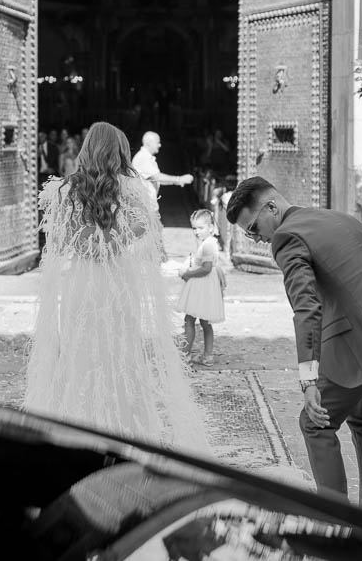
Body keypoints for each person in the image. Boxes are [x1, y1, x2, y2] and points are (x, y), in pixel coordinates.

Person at [226, 177, 362, 509]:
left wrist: (309, 379)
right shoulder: (336, 217)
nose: (258, 239)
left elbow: (306, 308)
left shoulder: (286, 237)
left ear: (271, 206)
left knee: (314, 422)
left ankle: (335, 527)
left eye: (254, 228)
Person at [24, 122, 209, 453]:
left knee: (81, 352)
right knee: (120, 353)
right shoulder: (131, 189)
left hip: (81, 282)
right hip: (118, 279)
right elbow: (145, 227)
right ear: (119, 151)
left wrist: (91, 243)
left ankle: (83, 433)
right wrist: (112, 241)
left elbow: (60, 240)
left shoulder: (64, 190)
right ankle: (122, 433)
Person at [176, 209, 226, 367]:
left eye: (200, 228)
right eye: (194, 228)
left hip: (201, 287)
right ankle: (207, 356)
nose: (197, 232)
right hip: (205, 287)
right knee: (205, 322)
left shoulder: (208, 245)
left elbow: (206, 268)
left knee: (189, 320)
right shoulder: (209, 243)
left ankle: (185, 355)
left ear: (211, 227)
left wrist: (188, 274)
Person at [131, 131, 193, 211]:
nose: (160, 145)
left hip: (147, 207)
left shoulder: (148, 158)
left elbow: (157, 179)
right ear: (149, 143)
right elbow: (157, 177)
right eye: (158, 142)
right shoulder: (143, 158)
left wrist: (176, 181)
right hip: (143, 208)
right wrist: (179, 179)